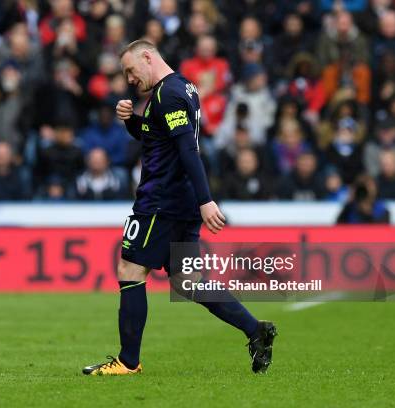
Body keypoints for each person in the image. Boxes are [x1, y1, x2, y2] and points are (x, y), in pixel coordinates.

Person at [82, 40, 276, 376]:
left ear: (147, 57)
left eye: (130, 69)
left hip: (161, 201)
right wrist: (132, 123)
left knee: (130, 271)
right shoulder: (182, 87)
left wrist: (206, 200)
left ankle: (128, 362)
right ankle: (255, 329)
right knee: (188, 280)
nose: (129, 78)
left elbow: (188, 150)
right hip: (179, 201)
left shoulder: (168, 94)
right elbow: (161, 138)